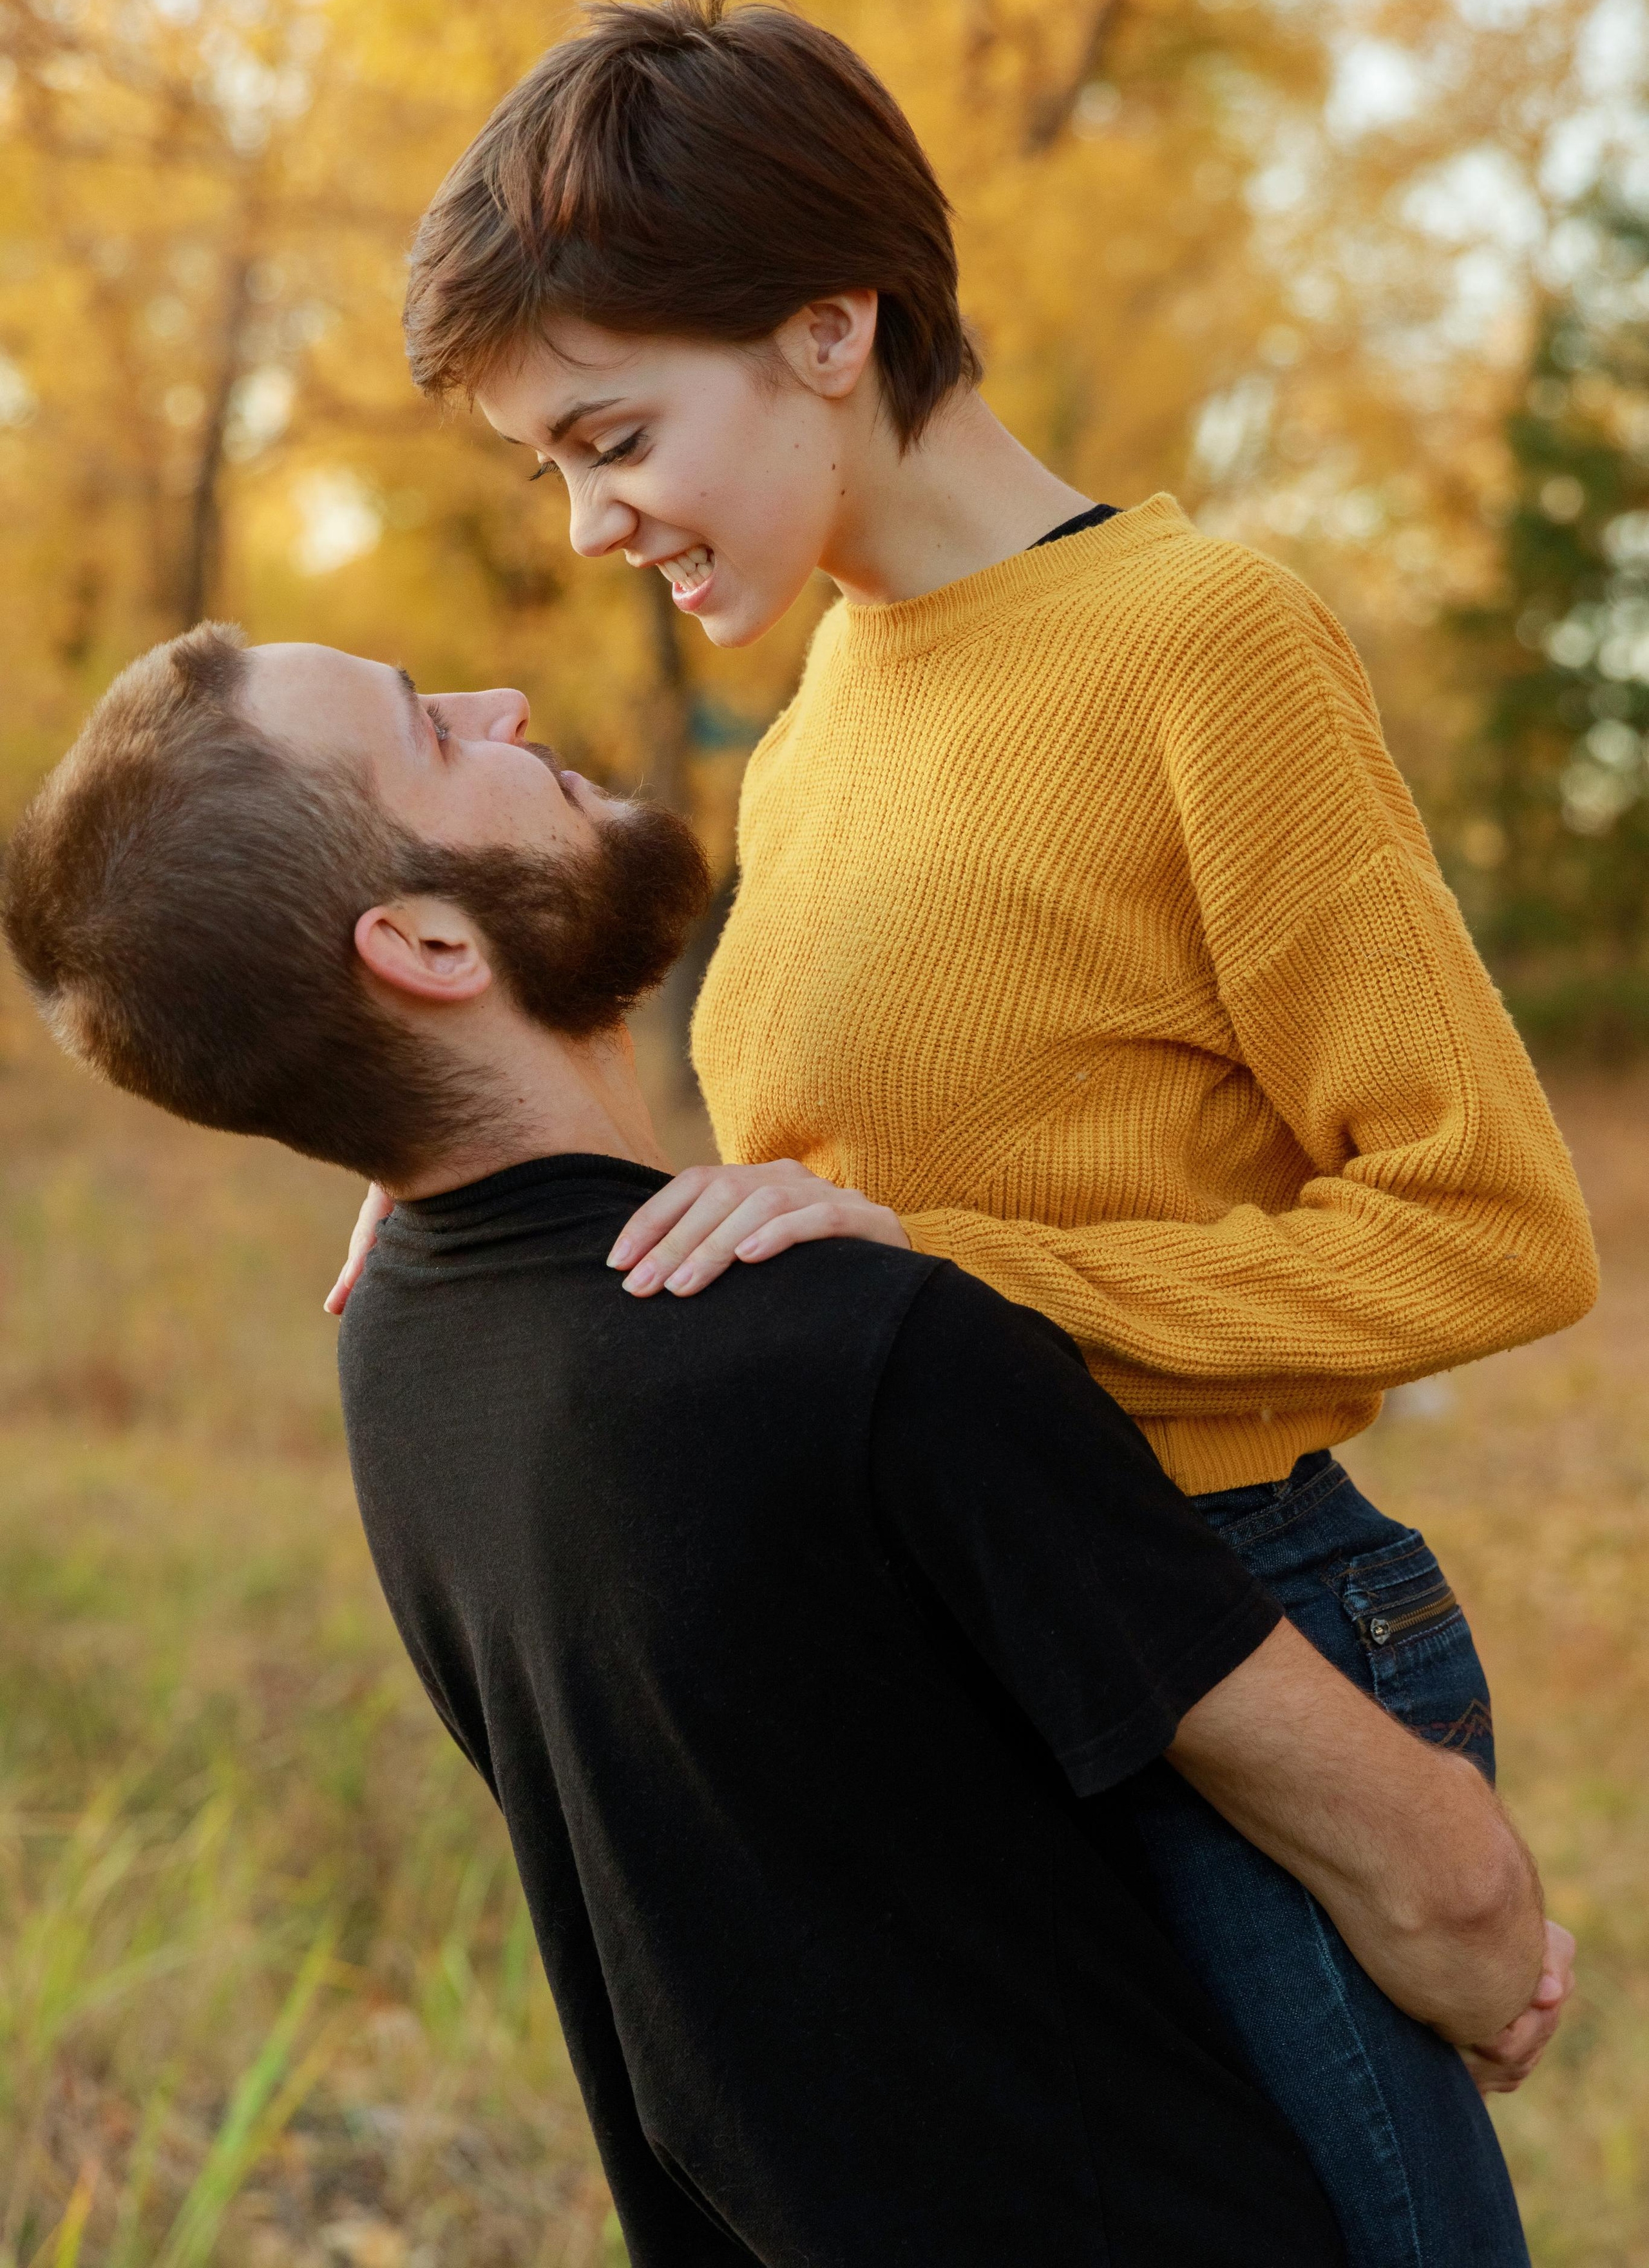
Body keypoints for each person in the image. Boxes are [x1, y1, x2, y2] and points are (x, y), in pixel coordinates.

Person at [347, 0, 1603, 2263]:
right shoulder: (818, 713)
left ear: (832, 326)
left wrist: (972, 1278)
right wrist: (474, 1195)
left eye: (614, 439)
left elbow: (1493, 1226)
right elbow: (822, 1219)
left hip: (1248, 1615)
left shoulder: (1202, 643)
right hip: (971, 1640)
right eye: (551, 469)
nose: (585, 524)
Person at [4, 626, 1572, 2267]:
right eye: (431, 731)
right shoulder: (856, 1349)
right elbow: (1449, 1902)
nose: (502, 706)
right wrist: (1496, 1940)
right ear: (419, 943)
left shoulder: (403, 1343)